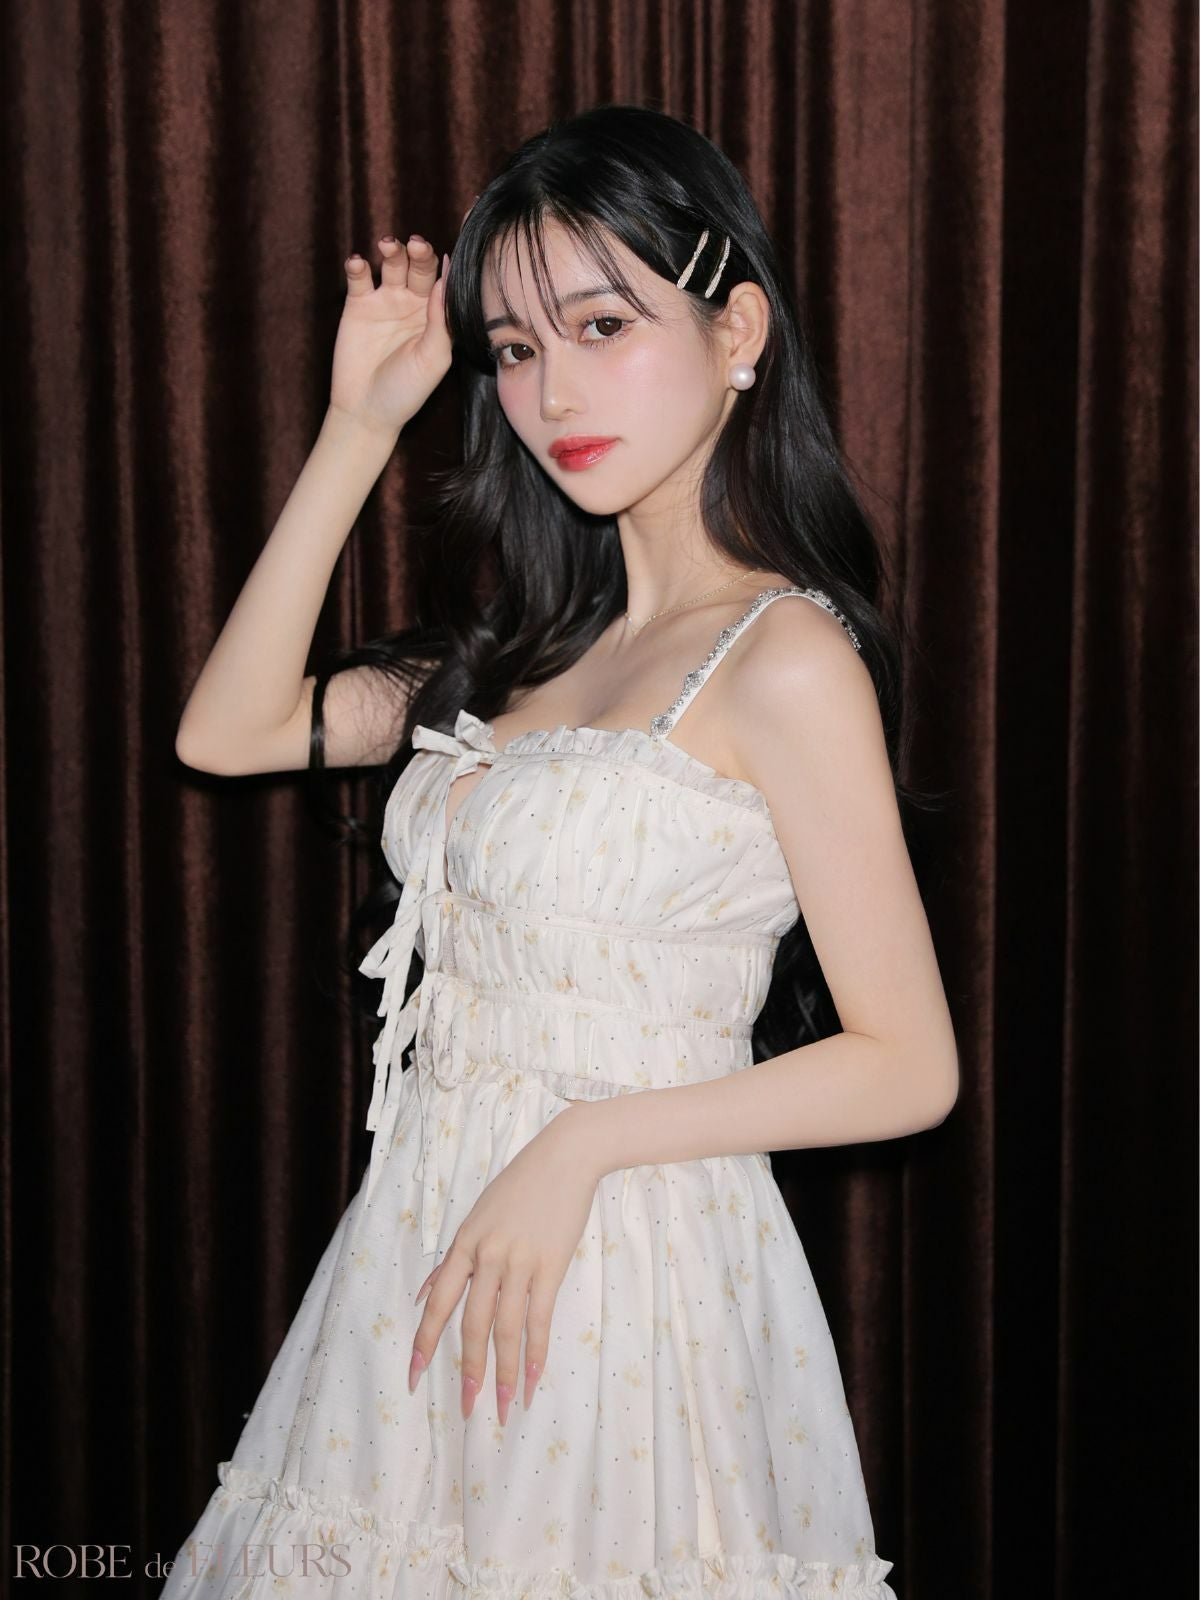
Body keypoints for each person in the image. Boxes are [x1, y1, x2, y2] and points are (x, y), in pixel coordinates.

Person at [165, 103, 958, 1599]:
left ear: (738, 332)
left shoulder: (783, 658)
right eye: (516, 349)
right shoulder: (518, 653)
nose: (552, 391)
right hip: (419, 1255)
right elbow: (229, 730)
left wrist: (581, 1142)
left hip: (630, 1267)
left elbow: (909, 1066)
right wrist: (359, 427)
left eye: (603, 325)